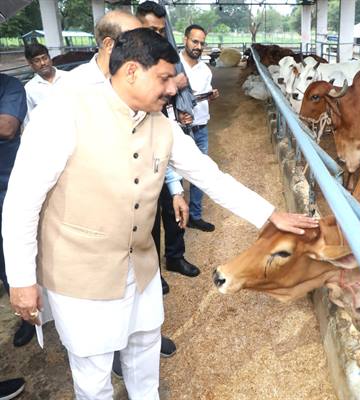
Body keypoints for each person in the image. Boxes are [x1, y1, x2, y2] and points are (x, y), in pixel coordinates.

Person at [3, 28, 317, 399]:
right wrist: (21, 280)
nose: (172, 88)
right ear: (131, 71)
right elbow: (22, 201)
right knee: (93, 375)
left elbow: (209, 175)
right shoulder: (63, 114)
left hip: (141, 268)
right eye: (165, 78)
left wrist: (269, 214)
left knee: (144, 353)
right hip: (80, 274)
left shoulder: (162, 126)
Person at [57, 9, 180, 373]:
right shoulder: (70, 95)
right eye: (137, 37)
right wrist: (23, 277)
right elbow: (31, 190)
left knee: (143, 339)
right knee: (94, 363)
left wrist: (173, 186)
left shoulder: (152, 107)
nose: (147, 43)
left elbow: (177, 152)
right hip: (85, 255)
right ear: (116, 49)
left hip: (137, 233)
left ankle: (131, 343)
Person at [136, 1, 201, 276]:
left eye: (162, 31)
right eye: (152, 29)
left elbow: (169, 101)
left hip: (165, 138)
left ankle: (175, 256)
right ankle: (152, 271)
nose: (159, 36)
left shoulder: (166, 56)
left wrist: (180, 110)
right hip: (140, 153)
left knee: (173, 200)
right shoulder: (131, 63)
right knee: (147, 214)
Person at [0, 73, 28, 397]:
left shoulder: (9, 87)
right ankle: (25, 314)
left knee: (20, 259)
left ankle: (32, 316)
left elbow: (7, 127)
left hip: (10, 192)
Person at [179, 24, 218, 232]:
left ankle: (195, 215)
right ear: (185, 39)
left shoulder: (205, 70)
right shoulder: (174, 66)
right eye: (195, 41)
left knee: (200, 173)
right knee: (175, 173)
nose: (198, 46)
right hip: (179, 129)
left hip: (201, 127)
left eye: (202, 43)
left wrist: (211, 96)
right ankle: (177, 218)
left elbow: (203, 96)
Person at [23, 43, 65, 125]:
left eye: (45, 58)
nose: (42, 63)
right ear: (30, 64)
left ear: (50, 58)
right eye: (37, 61)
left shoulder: (69, 77)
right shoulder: (29, 89)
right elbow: (28, 122)